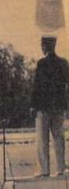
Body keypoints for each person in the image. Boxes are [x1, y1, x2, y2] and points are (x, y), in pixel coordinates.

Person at [32, 35, 69, 177]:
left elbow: (37, 86)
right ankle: (60, 168)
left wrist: (33, 106)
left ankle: (44, 170)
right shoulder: (63, 63)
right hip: (59, 107)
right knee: (59, 138)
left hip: (43, 107)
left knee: (42, 140)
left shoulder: (41, 63)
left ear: (45, 46)